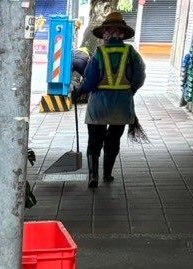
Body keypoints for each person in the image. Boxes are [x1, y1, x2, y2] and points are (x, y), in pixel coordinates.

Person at [76, 10, 145, 188]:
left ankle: (93, 176)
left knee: (94, 141)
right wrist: (129, 91)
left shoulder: (99, 53)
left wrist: (79, 91)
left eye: (107, 31)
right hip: (122, 106)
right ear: (122, 34)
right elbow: (140, 77)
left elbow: (90, 81)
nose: (106, 35)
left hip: (98, 106)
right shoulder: (131, 53)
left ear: (111, 33)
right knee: (113, 140)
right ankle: (107, 175)